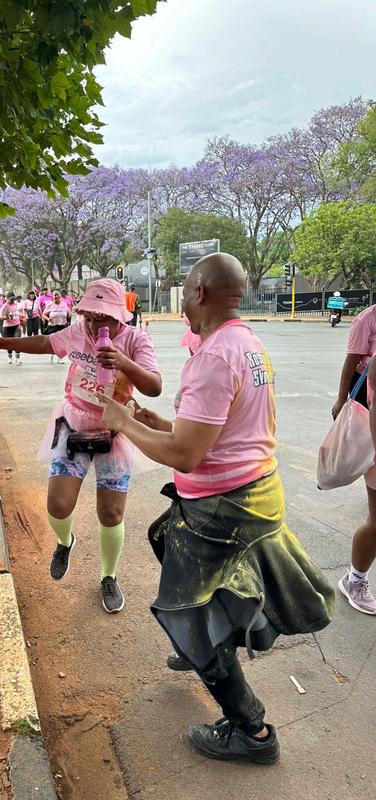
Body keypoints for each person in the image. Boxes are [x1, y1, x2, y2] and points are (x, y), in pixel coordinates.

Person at [98, 254, 333, 764]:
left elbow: (186, 455)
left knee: (188, 614)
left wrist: (122, 422)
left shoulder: (214, 358)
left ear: (200, 292)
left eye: (185, 290)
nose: (182, 300)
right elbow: (213, 432)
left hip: (223, 510)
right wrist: (159, 423)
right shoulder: (246, 343)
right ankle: (207, 645)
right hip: (249, 494)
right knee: (165, 537)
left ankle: (252, 731)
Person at [0, 279, 162, 612]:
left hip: (115, 430)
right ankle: (65, 541)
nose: (94, 325)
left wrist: (124, 363)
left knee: (111, 513)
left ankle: (108, 576)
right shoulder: (78, 331)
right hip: (72, 424)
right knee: (58, 506)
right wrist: (4, 342)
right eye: (89, 317)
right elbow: (45, 342)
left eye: (102, 318)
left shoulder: (135, 339)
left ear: (118, 316)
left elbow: (154, 387)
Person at [332, 303, 376, 613]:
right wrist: (341, 399)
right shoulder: (367, 319)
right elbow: (351, 361)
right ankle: (355, 579)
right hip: (363, 399)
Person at [43, 290, 71, 364]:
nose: (56, 296)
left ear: (60, 296)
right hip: (52, 326)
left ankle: (59, 358)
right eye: (55, 295)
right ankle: (51, 355)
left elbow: (69, 313)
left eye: (58, 295)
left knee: (61, 342)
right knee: (52, 342)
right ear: (52, 297)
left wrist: (70, 314)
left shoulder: (64, 304)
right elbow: (44, 314)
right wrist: (48, 319)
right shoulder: (50, 305)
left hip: (62, 325)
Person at [0, 292, 23, 366]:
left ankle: (17, 358)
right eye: (11, 299)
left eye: (13, 299)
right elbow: (1, 317)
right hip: (7, 327)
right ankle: (10, 356)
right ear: (7, 299)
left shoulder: (16, 304)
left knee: (17, 341)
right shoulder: (5, 306)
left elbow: (19, 313)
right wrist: (7, 317)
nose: (12, 300)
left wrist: (22, 317)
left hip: (16, 325)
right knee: (9, 343)